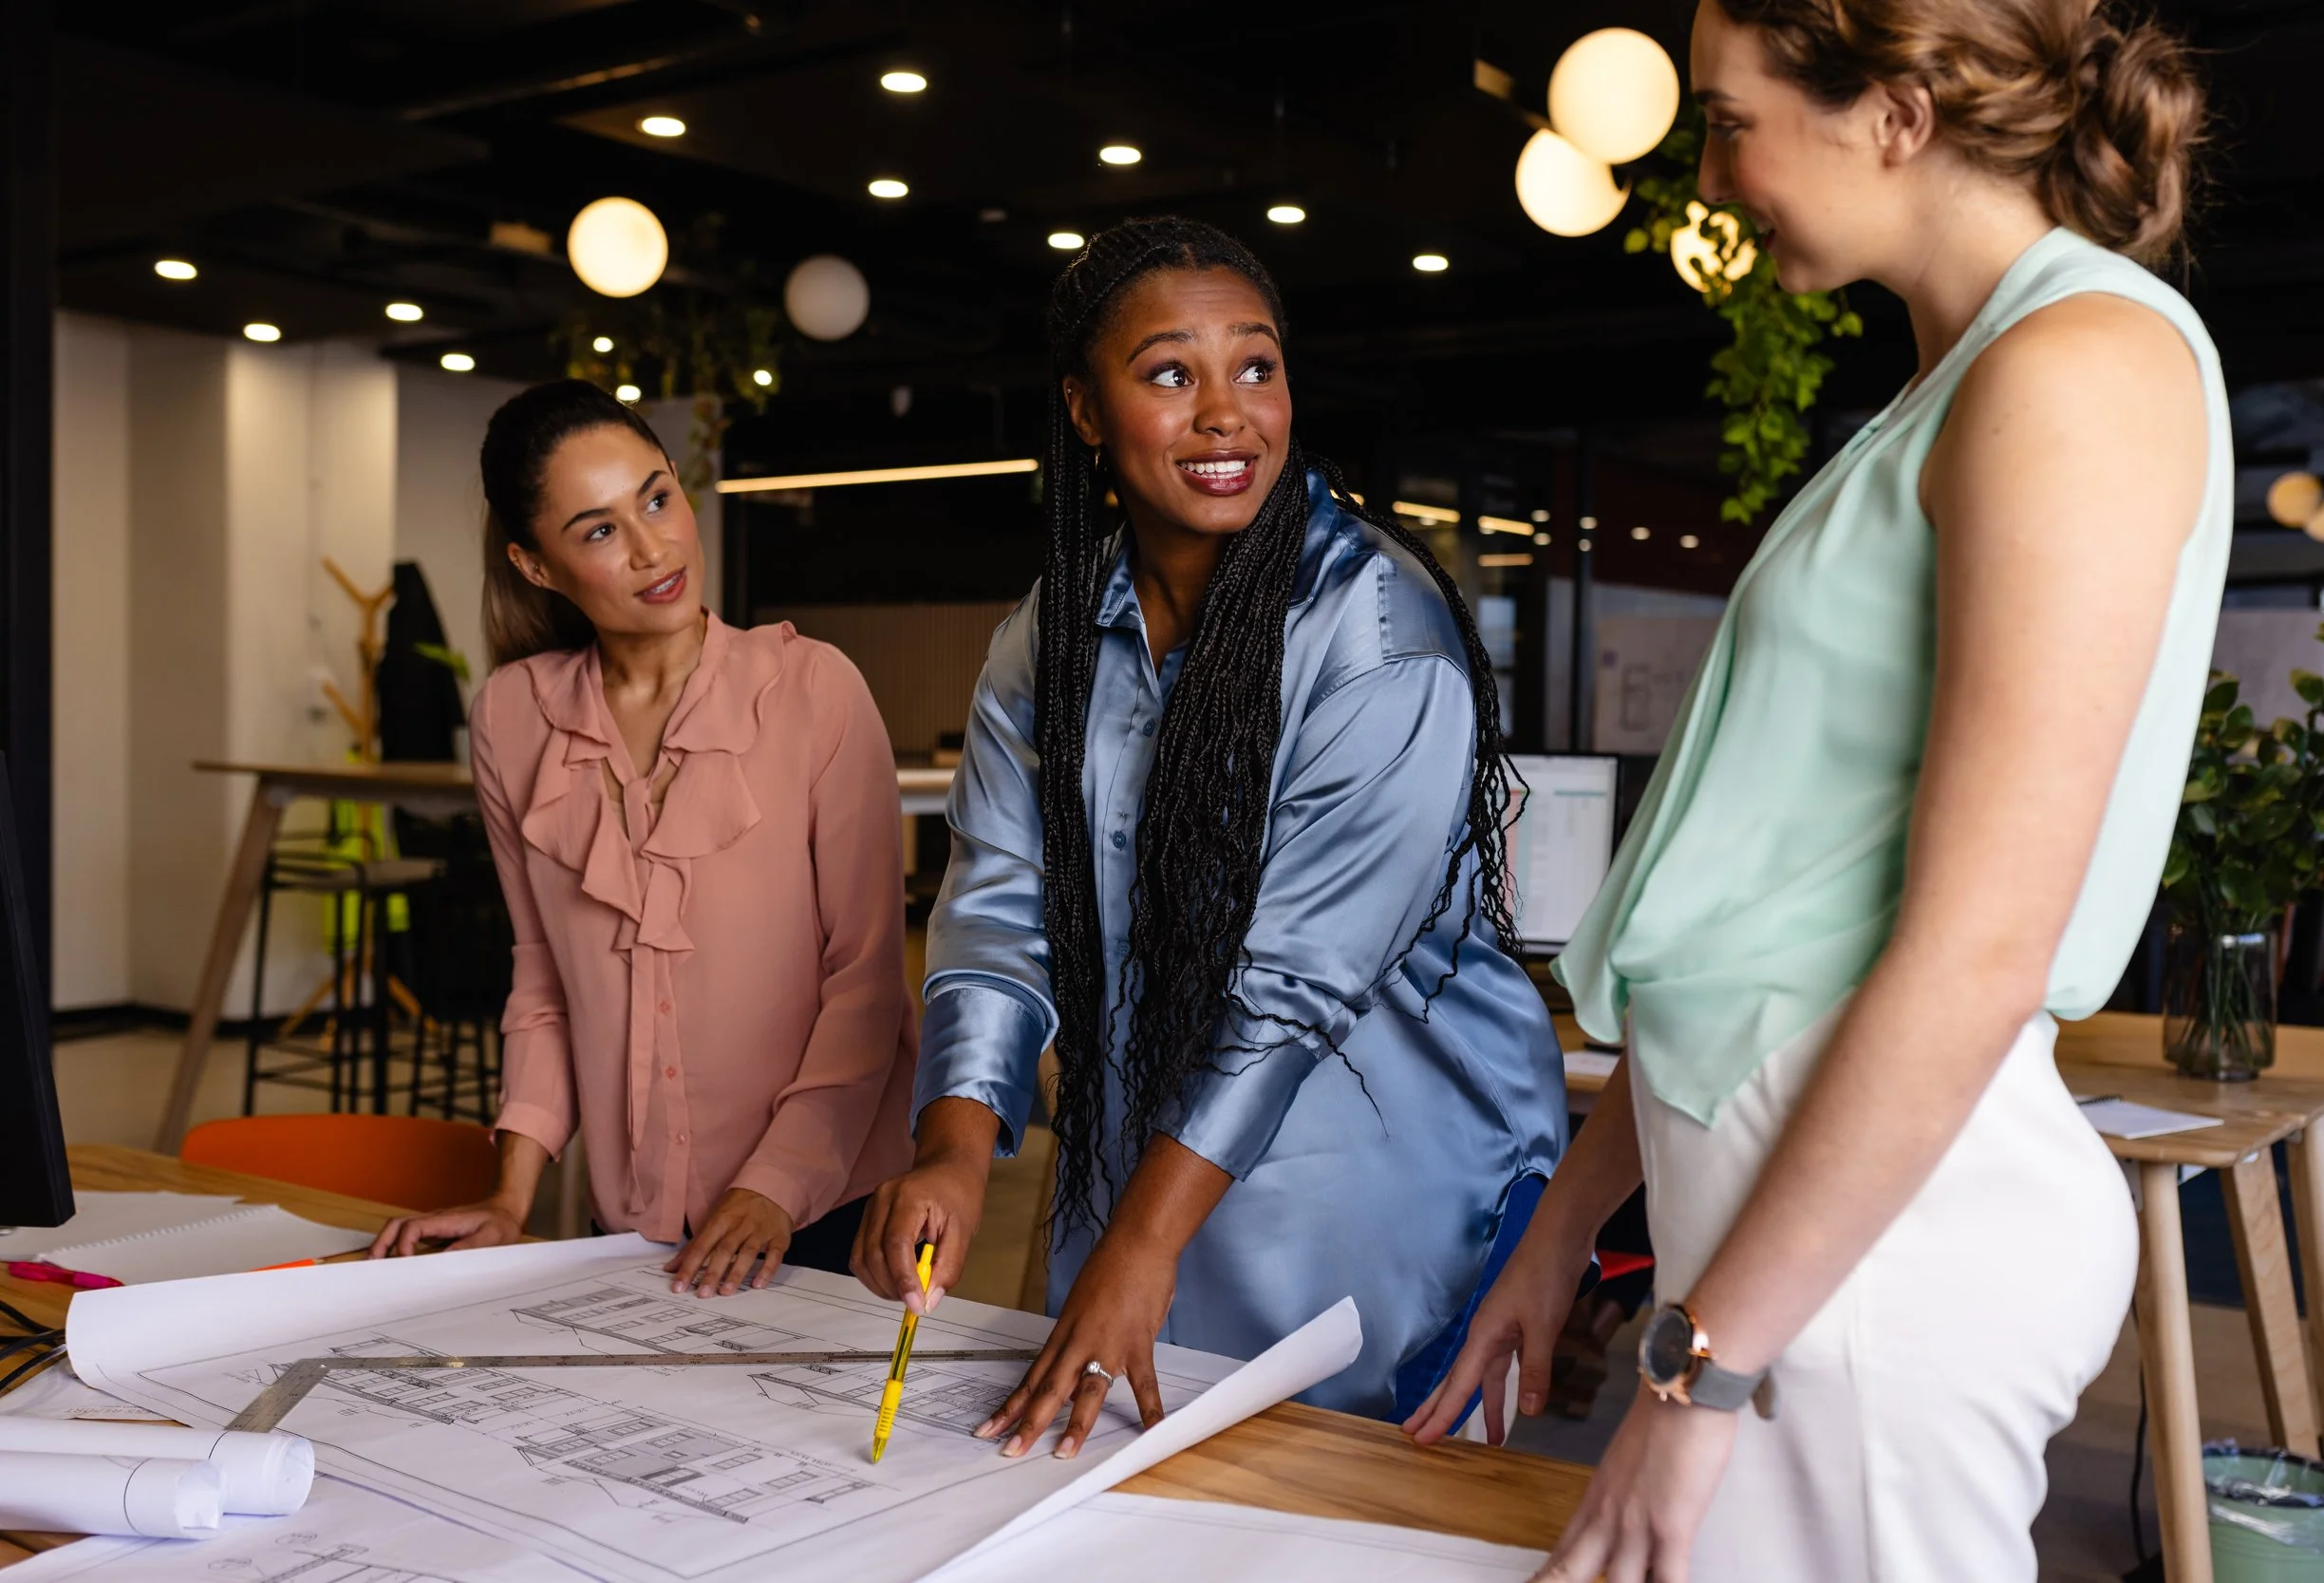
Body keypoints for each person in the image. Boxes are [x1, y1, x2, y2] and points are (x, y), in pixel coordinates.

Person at [1409, 2, 2224, 1579]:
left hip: (1875, 1263)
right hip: (1803, 1238)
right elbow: (1746, 910)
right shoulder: (1963, 380)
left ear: (1898, 110)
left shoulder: (2077, 360)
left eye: (1729, 118)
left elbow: (1980, 947)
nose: (1712, 175)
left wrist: (1703, 1364)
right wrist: (1572, 1229)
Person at [851, 218, 1566, 1450]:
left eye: (1259, 366)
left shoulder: (1379, 633)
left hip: (1389, 1195)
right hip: (1149, 1188)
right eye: (1173, 373)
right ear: (1085, 409)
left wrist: (1142, 1243)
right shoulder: (1052, 634)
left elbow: (1291, 989)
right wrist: (957, 1147)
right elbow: (998, 904)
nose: (1228, 412)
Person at [370, 380, 917, 1298]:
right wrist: (511, 1199)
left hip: (819, 1217)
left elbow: (864, 983)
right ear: (535, 564)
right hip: (627, 1223)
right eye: (598, 529)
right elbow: (543, 979)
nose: (653, 547)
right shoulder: (512, 716)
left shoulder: (815, 690)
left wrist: (774, 1187)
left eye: (657, 498)